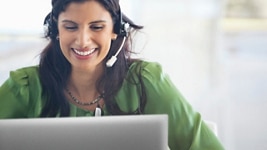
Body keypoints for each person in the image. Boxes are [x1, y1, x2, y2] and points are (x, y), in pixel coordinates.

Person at [0, 0, 224, 149]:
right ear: (55, 30)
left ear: (116, 31)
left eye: (96, 27)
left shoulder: (146, 81)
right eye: (70, 27)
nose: (82, 41)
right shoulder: (25, 87)